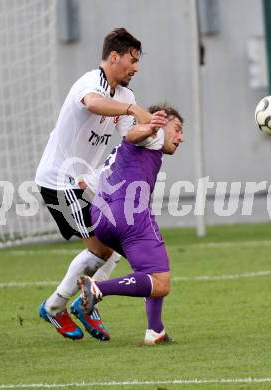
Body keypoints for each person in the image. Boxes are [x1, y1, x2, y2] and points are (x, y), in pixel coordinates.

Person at [35, 28, 167, 341]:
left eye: (138, 62)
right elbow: (93, 103)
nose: (135, 67)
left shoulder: (126, 96)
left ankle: (75, 304)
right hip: (59, 180)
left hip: (85, 181)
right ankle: (61, 306)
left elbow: (129, 135)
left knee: (112, 248)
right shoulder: (90, 82)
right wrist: (132, 110)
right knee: (101, 250)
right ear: (113, 57)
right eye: (131, 61)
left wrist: (151, 128)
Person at [73, 104, 184, 345]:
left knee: (153, 270)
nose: (180, 137)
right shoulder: (152, 136)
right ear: (161, 124)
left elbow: (85, 183)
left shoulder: (118, 153)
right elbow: (133, 134)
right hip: (130, 214)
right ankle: (97, 288)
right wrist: (149, 128)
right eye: (177, 129)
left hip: (101, 218)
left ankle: (155, 331)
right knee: (160, 282)